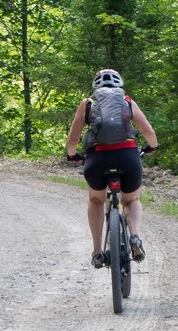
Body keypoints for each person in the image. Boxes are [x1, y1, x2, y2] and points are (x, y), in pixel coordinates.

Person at [66, 69, 159, 269]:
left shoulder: (88, 104)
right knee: (131, 199)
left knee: (96, 199)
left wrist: (72, 154)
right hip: (128, 156)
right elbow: (147, 131)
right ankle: (134, 237)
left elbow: (73, 139)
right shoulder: (126, 101)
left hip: (97, 159)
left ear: (95, 87)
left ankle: (98, 252)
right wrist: (152, 147)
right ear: (119, 85)